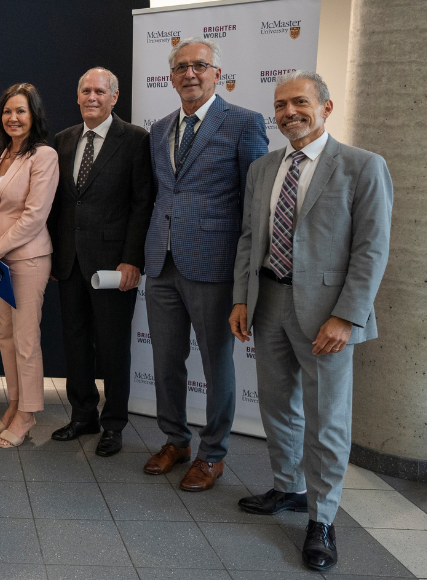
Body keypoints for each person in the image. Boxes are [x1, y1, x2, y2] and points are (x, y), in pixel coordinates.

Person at [230, 71, 392, 571]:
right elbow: (248, 239)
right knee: (278, 407)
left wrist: (347, 316)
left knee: (326, 422)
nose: (288, 113)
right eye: (280, 105)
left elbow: (372, 249)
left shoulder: (363, 167)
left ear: (326, 107)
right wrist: (241, 298)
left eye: (299, 102)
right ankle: (288, 487)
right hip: (269, 304)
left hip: (327, 317)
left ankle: (321, 519)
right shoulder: (263, 168)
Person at [143, 38, 268, 490]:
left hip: (215, 266)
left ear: (218, 73)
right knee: (164, 361)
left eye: (199, 65)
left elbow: (256, 206)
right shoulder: (158, 130)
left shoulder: (244, 124)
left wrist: (246, 275)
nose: (190, 73)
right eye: (181, 67)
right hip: (162, 261)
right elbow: (163, 193)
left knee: (218, 365)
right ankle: (176, 440)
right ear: (171, 76)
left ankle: (213, 453)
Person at [48, 68, 155, 456]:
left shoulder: (136, 140)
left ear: (115, 97)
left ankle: (113, 424)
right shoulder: (63, 140)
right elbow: (60, 204)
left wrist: (132, 261)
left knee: (112, 346)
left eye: (100, 91)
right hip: (70, 261)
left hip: (113, 266)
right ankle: (82, 414)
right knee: (75, 341)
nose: (92, 97)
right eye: (86, 91)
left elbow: (143, 205)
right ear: (78, 97)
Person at [0, 83, 59, 449]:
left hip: (27, 260)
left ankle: (28, 414)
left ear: (33, 115)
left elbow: (34, 216)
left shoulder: (43, 156)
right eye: (8, 111)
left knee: (26, 341)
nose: (13, 117)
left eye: (21, 111)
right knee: (5, 337)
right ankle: (14, 403)